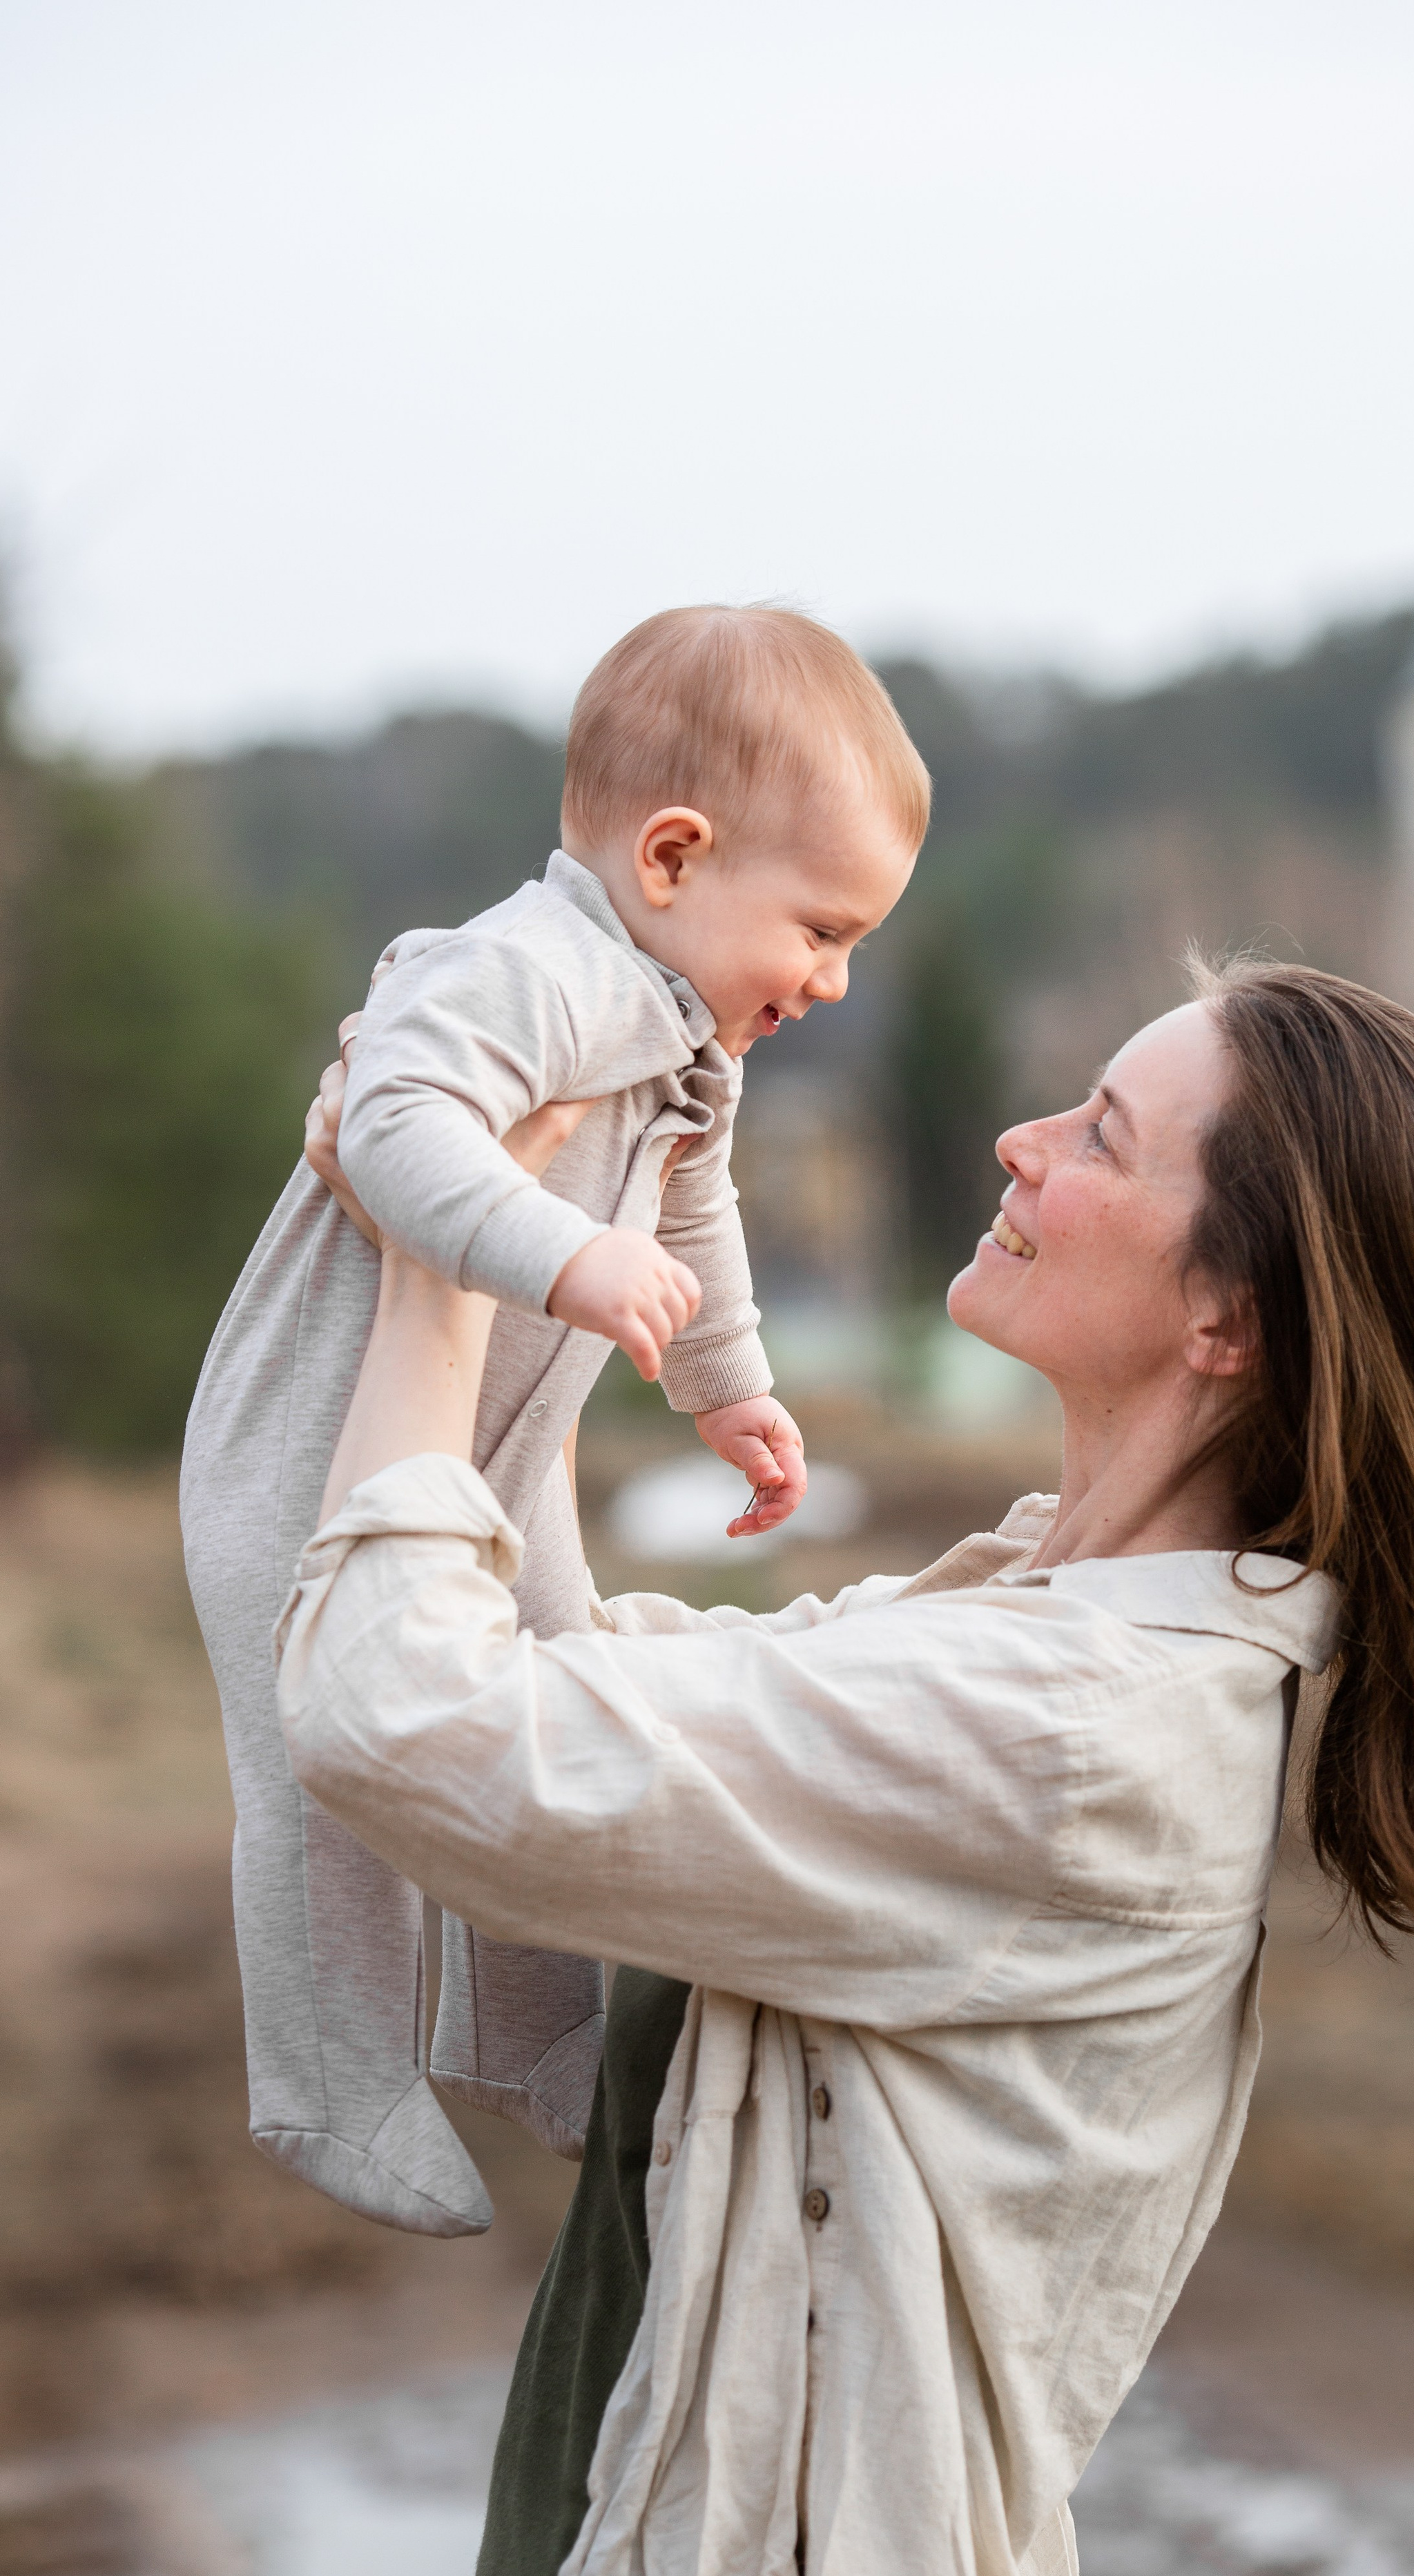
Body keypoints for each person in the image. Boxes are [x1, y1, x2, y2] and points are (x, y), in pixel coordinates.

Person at [279, 960, 1414, 2576]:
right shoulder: (1020, 1628)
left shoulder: (1069, 1731)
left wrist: (435, 1274)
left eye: (1100, 1137)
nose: (1018, 1142)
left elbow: (410, 1719)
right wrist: (506, 1212)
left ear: (1227, 1321)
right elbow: (568, 1681)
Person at [180, 606, 927, 2239]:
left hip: (495, 1462)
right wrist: (555, 1246)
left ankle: (531, 2034)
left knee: (554, 1716)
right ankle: (330, 2079)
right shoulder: (518, 970)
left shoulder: (684, 1039)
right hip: (306, 1459)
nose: (834, 975)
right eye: (818, 928)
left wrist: (732, 1387)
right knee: (320, 1779)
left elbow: (696, 1211)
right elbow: (387, 1119)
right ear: (672, 858)